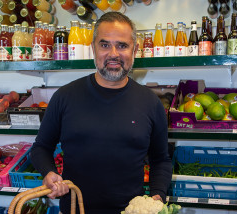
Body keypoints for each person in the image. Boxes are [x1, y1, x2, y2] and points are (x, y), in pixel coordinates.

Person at [30, 12, 172, 214]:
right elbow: (41, 148)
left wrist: (157, 195)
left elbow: (161, 160)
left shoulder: (150, 102)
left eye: (122, 45)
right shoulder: (65, 96)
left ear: (135, 50)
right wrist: (49, 173)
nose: (113, 53)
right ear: (93, 48)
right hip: (74, 209)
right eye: (105, 45)